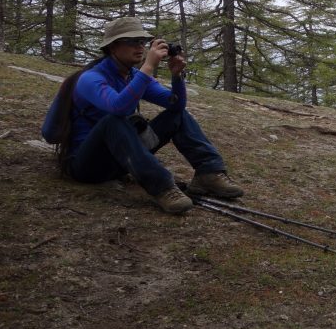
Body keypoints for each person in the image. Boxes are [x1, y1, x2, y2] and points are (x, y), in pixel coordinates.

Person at [47, 17, 243, 214]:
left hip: (122, 160)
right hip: (87, 167)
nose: (139, 47)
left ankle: (208, 173)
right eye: (132, 42)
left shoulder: (133, 75)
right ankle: (164, 188)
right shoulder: (91, 78)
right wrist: (148, 67)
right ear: (113, 47)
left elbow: (175, 105)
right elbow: (118, 108)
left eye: (141, 41)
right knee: (113, 121)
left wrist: (176, 77)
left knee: (178, 116)